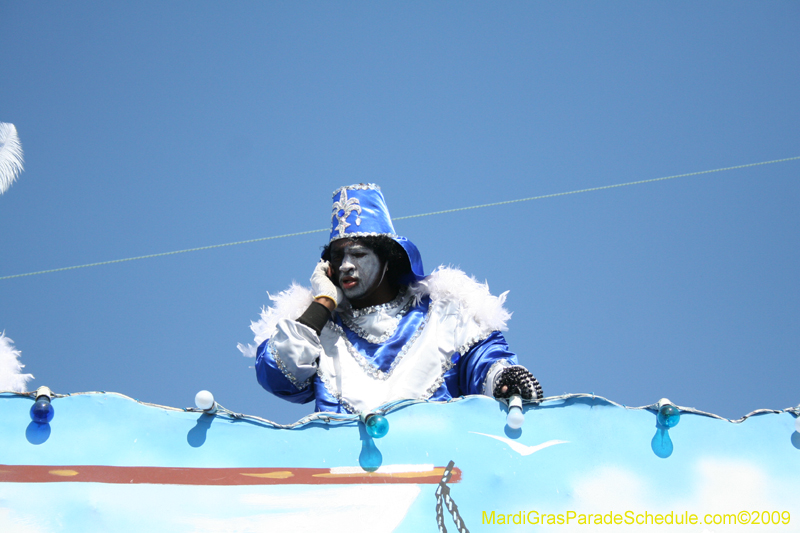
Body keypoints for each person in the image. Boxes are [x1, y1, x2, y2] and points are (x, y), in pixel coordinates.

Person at [241, 183, 542, 414]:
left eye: (358, 254)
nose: (346, 266)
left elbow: (485, 360)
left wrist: (506, 379)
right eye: (338, 257)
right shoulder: (321, 330)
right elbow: (277, 376)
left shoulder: (443, 313)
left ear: (388, 260)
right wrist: (322, 303)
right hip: (343, 474)